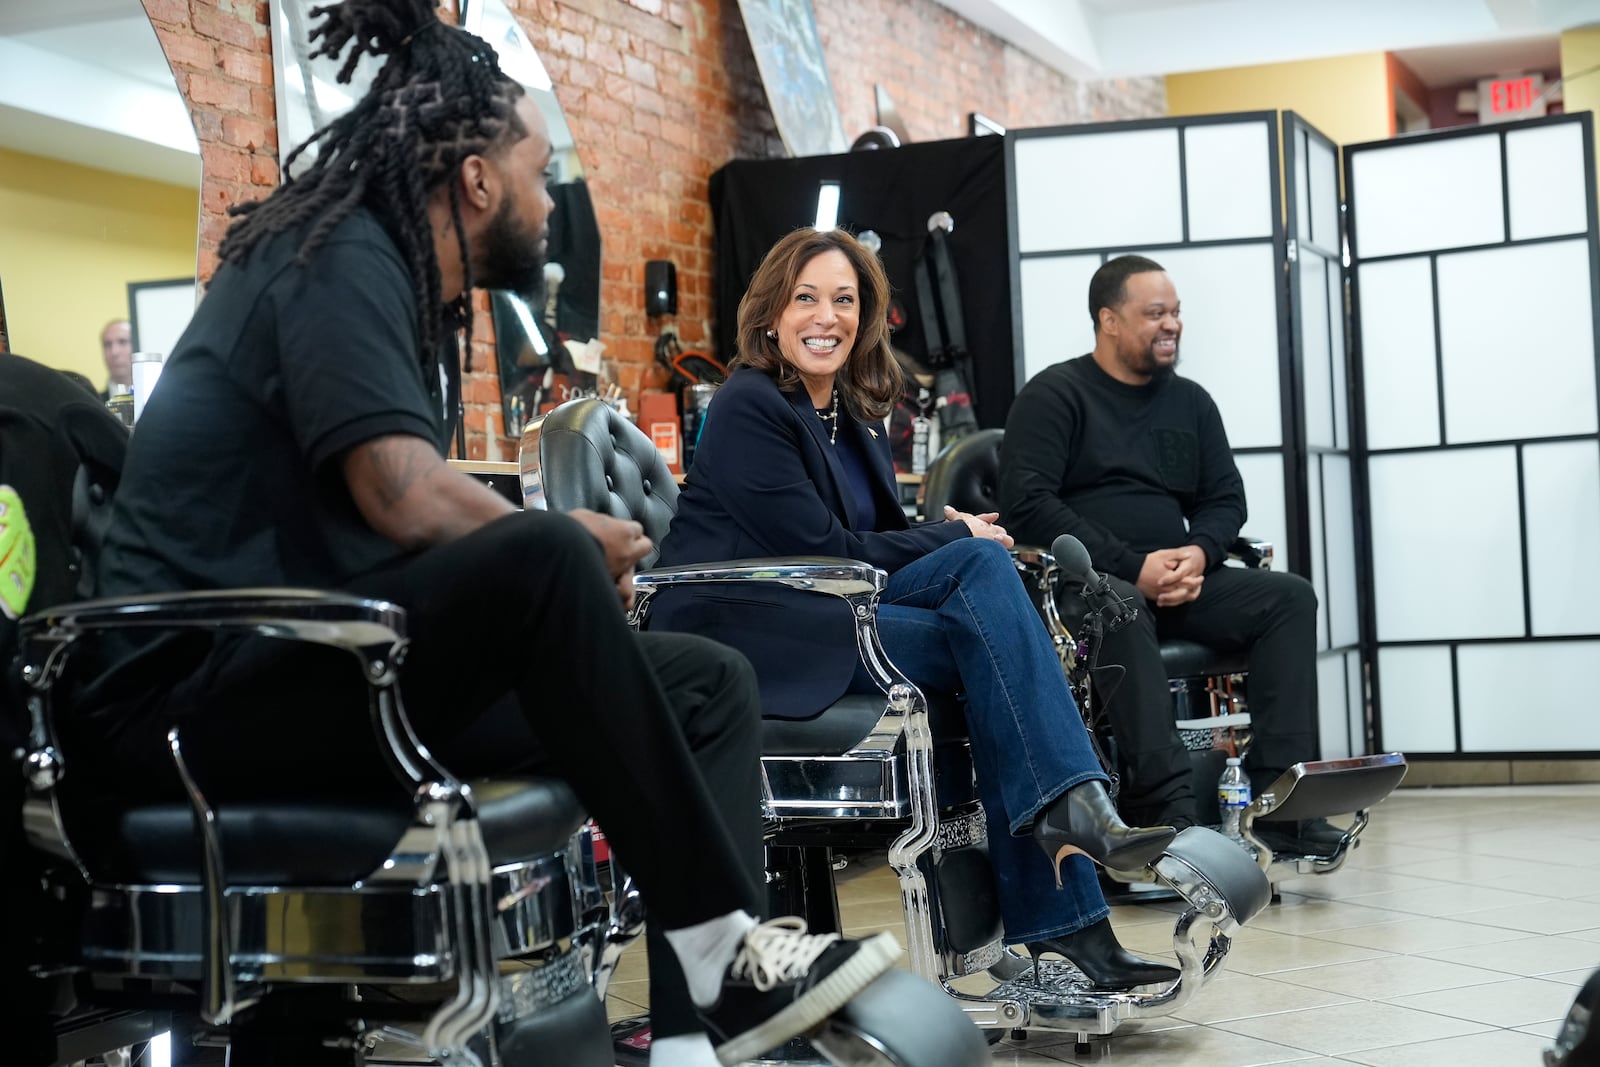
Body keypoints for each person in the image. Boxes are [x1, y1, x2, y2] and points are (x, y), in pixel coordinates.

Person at [78, 5, 897, 1066]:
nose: (552, 195)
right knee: (546, 548)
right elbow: (402, 494)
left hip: (317, 662)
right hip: (194, 697)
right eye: (538, 167)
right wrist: (561, 553)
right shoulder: (330, 251)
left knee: (705, 681)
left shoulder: (401, 284)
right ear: (473, 178)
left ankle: (702, 1041)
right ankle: (723, 947)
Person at [655, 228, 1181, 989]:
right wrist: (958, 532)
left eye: (845, 299)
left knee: (988, 632)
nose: (826, 316)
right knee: (976, 572)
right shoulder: (748, 405)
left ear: (866, 316)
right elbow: (828, 549)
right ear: (771, 313)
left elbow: (891, 545)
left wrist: (955, 541)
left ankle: (1076, 906)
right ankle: (1075, 836)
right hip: (753, 630)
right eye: (806, 298)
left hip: (832, 614)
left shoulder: (850, 413)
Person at [998, 254, 1331, 855]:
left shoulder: (1190, 403)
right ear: (1109, 320)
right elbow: (1028, 506)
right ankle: (1168, 813)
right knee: (1120, 603)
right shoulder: (1055, 395)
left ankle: (1283, 808)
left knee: (1288, 598)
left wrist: (1200, 554)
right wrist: (1132, 566)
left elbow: (1225, 497)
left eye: (1176, 312)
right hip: (1095, 584)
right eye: (1155, 313)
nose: (1171, 324)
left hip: (1180, 578)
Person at [98, 318, 132, 397]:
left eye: (122, 342)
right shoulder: (93, 405)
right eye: (107, 344)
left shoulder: (157, 401)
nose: (114, 352)